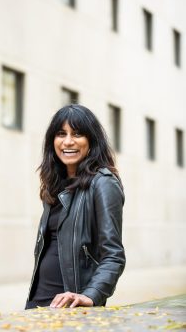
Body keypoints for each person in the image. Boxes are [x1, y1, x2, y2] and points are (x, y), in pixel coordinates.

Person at [25, 104, 126, 309]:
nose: (68, 141)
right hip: (39, 304)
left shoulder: (103, 183)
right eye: (61, 134)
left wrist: (91, 295)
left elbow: (113, 255)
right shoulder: (55, 184)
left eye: (77, 134)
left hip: (71, 307)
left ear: (91, 141)